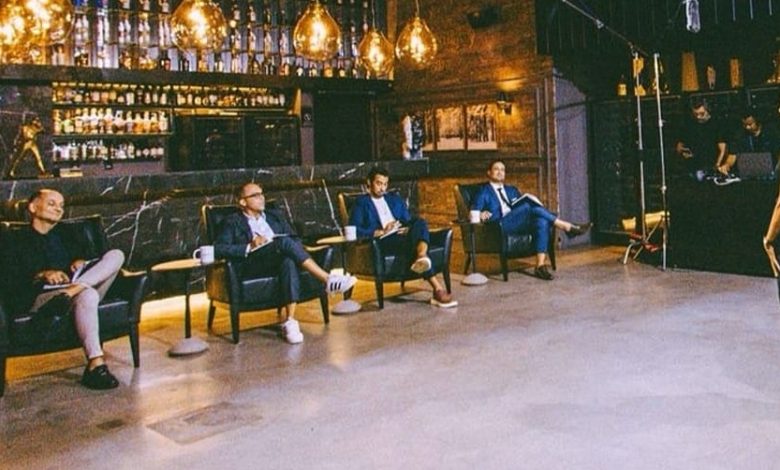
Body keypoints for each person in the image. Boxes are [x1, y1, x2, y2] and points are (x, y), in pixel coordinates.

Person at [0, 189, 126, 390]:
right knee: (88, 294)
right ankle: (96, 364)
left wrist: (80, 261)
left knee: (116, 255)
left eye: (61, 206)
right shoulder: (14, 239)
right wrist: (41, 274)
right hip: (43, 295)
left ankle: (71, 292)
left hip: (72, 289)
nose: (58, 209)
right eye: (52, 204)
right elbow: (9, 278)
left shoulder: (68, 234)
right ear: (33, 207)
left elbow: (90, 259)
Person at [214, 182, 357, 344]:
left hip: (277, 258)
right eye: (255, 195)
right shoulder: (232, 221)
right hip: (252, 264)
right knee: (283, 243)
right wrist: (249, 246)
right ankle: (327, 279)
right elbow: (219, 248)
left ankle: (290, 321)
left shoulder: (274, 216)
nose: (262, 198)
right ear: (242, 201)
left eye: (262, 194)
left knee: (288, 260)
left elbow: (294, 238)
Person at [347, 167, 457, 308]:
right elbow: (354, 229)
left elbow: (407, 220)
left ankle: (422, 256)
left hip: (401, 235)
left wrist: (408, 229)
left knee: (420, 222)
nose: (382, 188)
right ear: (369, 182)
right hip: (382, 241)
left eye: (385, 184)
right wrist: (378, 231)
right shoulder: (361, 203)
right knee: (414, 242)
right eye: (379, 183)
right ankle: (437, 289)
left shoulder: (394, 199)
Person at [470, 159, 592, 281]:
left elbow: (520, 206)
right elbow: (473, 213)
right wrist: (479, 214)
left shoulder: (511, 190)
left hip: (517, 223)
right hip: (500, 225)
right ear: (489, 173)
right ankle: (566, 226)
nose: (500, 172)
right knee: (528, 206)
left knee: (541, 221)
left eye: (502, 170)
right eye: (496, 169)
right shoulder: (484, 191)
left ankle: (540, 266)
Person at [674, 98, 730, 178]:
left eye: (702, 114)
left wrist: (717, 166)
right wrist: (683, 153)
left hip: (711, 165)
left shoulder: (717, 124)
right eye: (695, 114)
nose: (698, 117)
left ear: (708, 111)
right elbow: (679, 146)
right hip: (693, 166)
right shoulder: (689, 125)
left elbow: (723, 150)